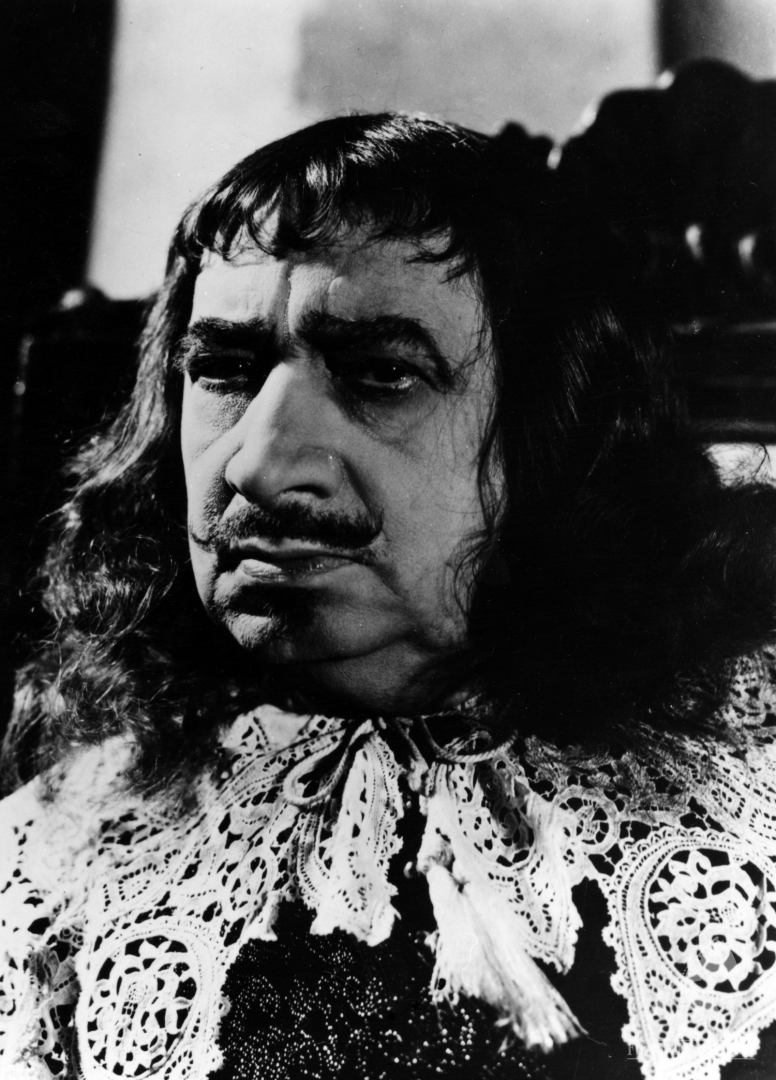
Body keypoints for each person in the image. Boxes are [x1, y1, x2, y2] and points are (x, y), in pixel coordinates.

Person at [2, 111, 776, 1080]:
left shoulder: (742, 799)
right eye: (224, 372)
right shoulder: (57, 857)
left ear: (553, 434)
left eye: (380, 375)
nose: (257, 463)